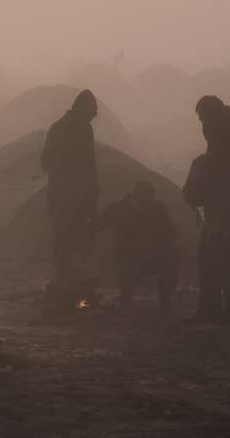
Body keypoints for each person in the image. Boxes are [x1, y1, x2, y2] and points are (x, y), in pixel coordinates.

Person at [182, 95, 230, 327]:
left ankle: (224, 314)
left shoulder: (229, 137)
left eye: (202, 118)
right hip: (227, 210)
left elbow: (229, 177)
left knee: (225, 264)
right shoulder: (229, 134)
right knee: (216, 262)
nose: (202, 124)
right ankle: (218, 312)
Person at [40, 89, 100, 307]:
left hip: (58, 198)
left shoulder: (56, 127)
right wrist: (92, 193)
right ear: (85, 110)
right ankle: (72, 293)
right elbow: (88, 166)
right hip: (77, 199)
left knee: (60, 244)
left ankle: (62, 289)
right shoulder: (83, 128)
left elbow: (44, 163)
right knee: (74, 243)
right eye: (93, 114)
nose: (94, 117)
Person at [90, 181, 177, 313]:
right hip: (127, 255)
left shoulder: (158, 208)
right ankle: (126, 297)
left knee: (171, 258)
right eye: (142, 201)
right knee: (129, 266)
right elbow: (98, 225)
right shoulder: (118, 208)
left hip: (152, 254)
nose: (144, 205)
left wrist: (156, 244)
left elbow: (169, 233)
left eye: (147, 201)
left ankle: (165, 299)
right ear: (134, 197)